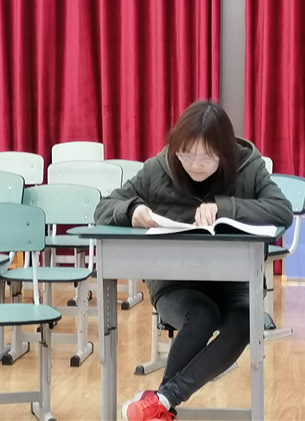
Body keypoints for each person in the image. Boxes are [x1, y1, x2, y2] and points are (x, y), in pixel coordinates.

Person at [94, 100, 294, 421]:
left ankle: (162, 400)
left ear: (225, 151)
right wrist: (132, 210)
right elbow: (104, 206)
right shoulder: (158, 168)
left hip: (233, 281)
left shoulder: (248, 166)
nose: (196, 165)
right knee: (201, 314)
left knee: (247, 319)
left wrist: (225, 207)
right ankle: (162, 403)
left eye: (207, 156)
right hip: (176, 283)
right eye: (186, 154)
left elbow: (282, 210)